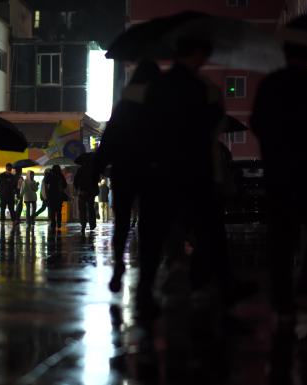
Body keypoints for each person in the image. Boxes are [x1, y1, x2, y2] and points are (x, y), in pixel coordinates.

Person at [250, 43, 307, 326]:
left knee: (281, 237)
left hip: (279, 173)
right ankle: (306, 291)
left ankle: (282, 302)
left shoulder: (271, 84)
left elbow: (257, 123)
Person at [139, 39, 228, 325]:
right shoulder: (202, 88)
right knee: (209, 228)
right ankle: (206, 283)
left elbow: (145, 128)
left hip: (161, 170)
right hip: (195, 169)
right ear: (196, 53)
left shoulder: (156, 87)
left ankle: (146, 290)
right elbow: (212, 125)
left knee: (156, 232)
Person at [94, 60, 161, 294]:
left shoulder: (124, 103)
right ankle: (147, 277)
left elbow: (109, 139)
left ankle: (119, 264)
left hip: (123, 171)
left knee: (121, 222)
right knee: (150, 224)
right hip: (152, 171)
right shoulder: (159, 105)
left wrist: (98, 166)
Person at [74, 160, 99, 233]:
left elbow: (76, 181)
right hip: (91, 192)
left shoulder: (80, 170)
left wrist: (78, 188)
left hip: (82, 192)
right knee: (91, 208)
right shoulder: (93, 170)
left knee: (82, 209)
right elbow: (97, 180)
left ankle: (83, 224)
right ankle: (92, 224)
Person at [44, 165, 67, 230]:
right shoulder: (60, 175)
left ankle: (53, 224)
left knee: (52, 211)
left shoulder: (50, 175)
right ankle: (59, 223)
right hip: (59, 196)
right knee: (59, 210)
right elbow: (65, 185)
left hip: (51, 196)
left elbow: (46, 182)